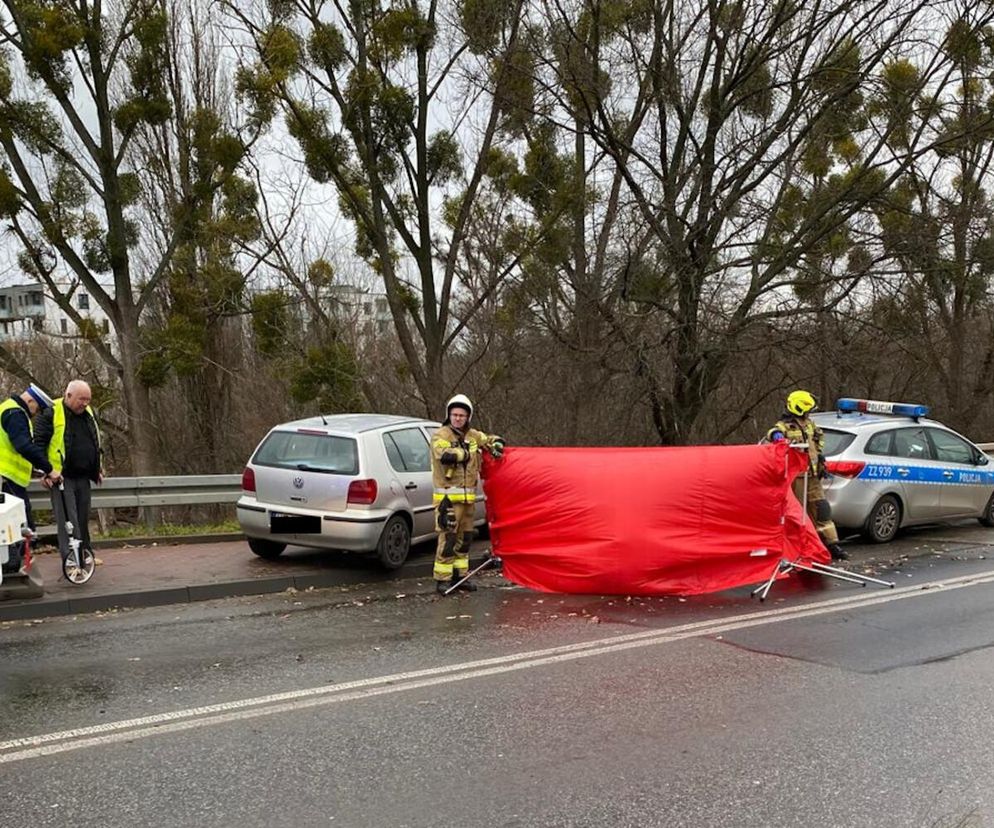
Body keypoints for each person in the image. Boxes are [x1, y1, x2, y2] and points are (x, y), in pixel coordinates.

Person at [430, 394, 505, 594]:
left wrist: (497, 443)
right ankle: (443, 580)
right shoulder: (441, 435)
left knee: (465, 539)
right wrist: (466, 453)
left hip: (468, 501)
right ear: (449, 415)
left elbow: (488, 440)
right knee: (448, 539)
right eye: (454, 415)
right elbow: (445, 455)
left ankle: (460, 576)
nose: (458, 418)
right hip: (447, 501)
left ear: (468, 417)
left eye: (462, 415)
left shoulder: (472, 435)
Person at [766, 389, 848, 561]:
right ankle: (796, 547)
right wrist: (777, 437)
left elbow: (818, 438)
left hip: (812, 475)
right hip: (795, 478)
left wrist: (819, 458)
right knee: (795, 513)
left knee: (821, 509)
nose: (809, 413)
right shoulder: (784, 427)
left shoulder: (809, 424)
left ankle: (831, 544)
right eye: (807, 409)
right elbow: (772, 434)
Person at [33, 379, 103, 569]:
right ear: (68, 395)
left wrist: (96, 468)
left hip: (84, 476)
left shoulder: (89, 413)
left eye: (88, 399)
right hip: (61, 477)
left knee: (82, 518)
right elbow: (38, 445)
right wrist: (45, 472)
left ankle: (85, 554)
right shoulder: (50, 412)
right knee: (68, 521)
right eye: (82, 399)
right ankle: (71, 559)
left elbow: (95, 442)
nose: (85, 403)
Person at [0, 383, 59, 571]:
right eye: (38, 408)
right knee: (17, 525)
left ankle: (13, 565)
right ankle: (11, 568)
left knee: (17, 524)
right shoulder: (15, 414)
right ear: (30, 400)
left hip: (9, 478)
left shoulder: (9, 409)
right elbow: (23, 446)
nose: (37, 413)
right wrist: (49, 469)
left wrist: (36, 470)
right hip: (7, 479)